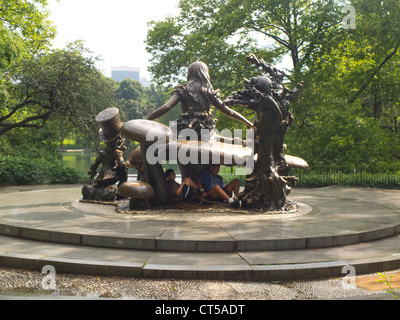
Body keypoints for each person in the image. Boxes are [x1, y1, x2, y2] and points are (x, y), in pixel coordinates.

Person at [147, 61, 253, 142]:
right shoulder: (208, 91)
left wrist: (148, 119)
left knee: (164, 141)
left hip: (185, 128)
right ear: (205, 73)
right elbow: (229, 111)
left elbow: (166, 107)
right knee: (214, 138)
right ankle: (232, 142)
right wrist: (247, 122)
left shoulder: (183, 90)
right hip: (205, 129)